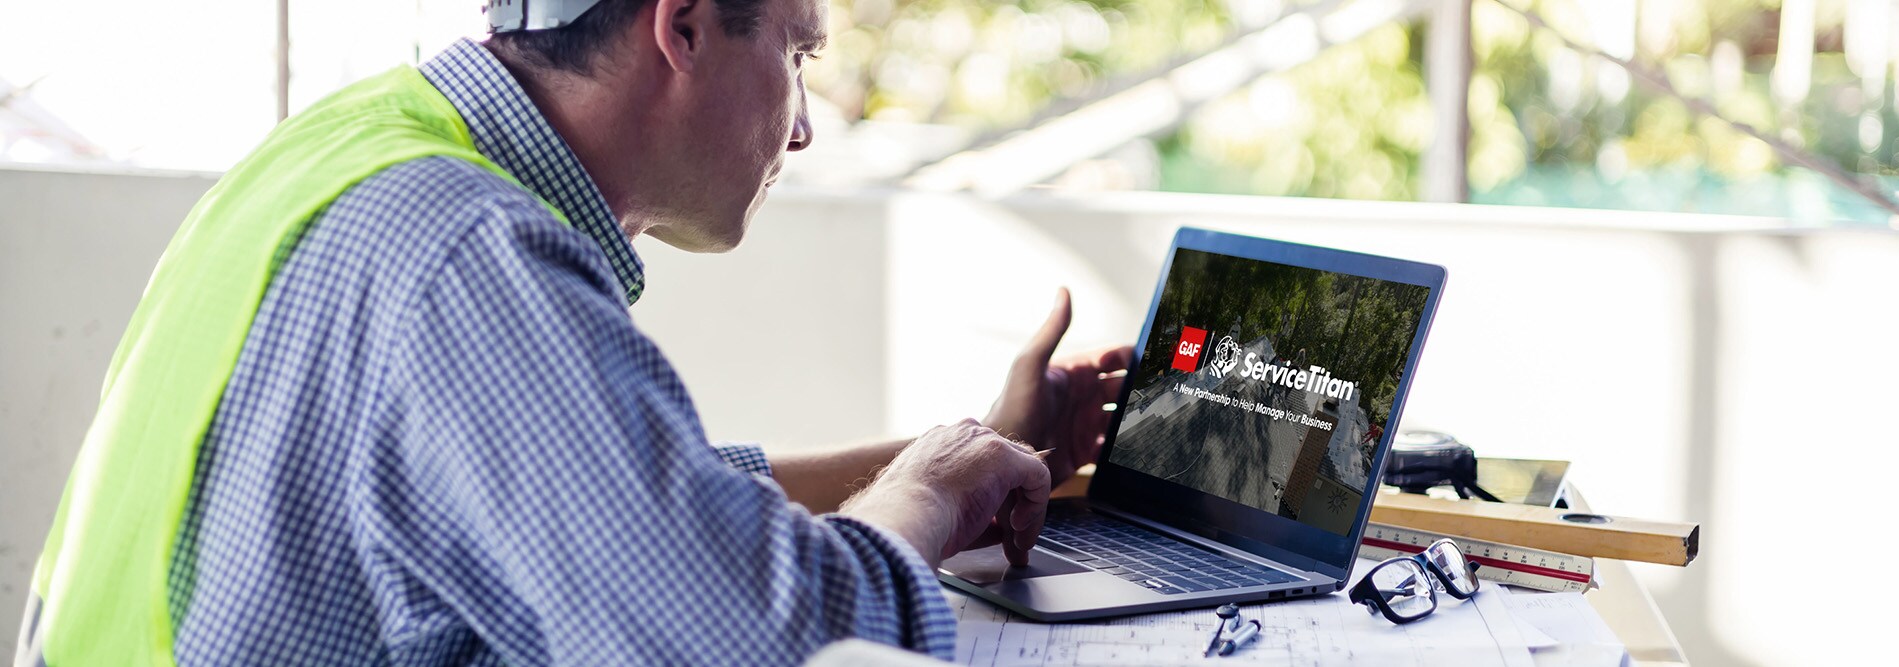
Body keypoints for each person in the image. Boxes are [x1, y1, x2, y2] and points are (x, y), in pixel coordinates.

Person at [16, 1, 1130, 665]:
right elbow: (763, 637)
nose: (799, 124)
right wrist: (926, 499)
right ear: (682, 26)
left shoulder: (349, 152)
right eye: (797, 52)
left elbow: (656, 513)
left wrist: (968, 451)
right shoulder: (468, 259)